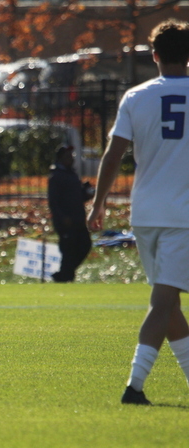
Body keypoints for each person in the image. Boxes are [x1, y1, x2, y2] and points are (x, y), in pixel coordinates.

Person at [87, 19, 189, 406]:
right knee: (163, 303)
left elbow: (114, 155)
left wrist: (98, 203)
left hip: (145, 214)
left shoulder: (136, 96)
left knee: (170, 305)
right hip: (184, 216)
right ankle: (134, 386)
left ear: (155, 56)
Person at [48, 145, 94, 282]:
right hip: (66, 222)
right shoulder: (56, 176)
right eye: (68, 157)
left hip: (78, 220)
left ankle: (63, 274)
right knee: (68, 251)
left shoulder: (71, 174)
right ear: (60, 158)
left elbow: (77, 197)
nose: (71, 159)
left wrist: (87, 193)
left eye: (72, 156)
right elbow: (53, 202)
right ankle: (65, 277)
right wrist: (62, 218)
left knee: (85, 245)